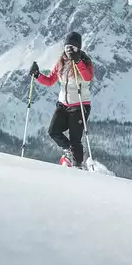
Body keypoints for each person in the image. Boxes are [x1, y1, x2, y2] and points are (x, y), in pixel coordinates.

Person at [29, 31, 93, 169]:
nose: (69, 50)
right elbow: (50, 80)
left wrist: (78, 62)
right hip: (63, 104)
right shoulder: (61, 62)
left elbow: (87, 77)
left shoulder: (85, 61)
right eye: (67, 47)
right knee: (53, 131)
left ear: (78, 48)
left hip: (80, 105)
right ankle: (69, 151)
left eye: (73, 47)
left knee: (75, 139)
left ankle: (77, 165)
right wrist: (37, 75)